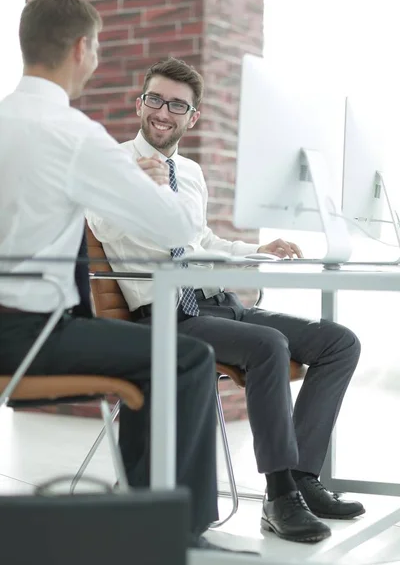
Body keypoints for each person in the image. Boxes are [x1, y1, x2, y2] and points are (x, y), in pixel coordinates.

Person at [0, 0, 247, 555]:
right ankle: (170, 530)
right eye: (99, 46)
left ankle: (140, 507)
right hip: (33, 336)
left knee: (159, 352)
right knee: (189, 357)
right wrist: (159, 182)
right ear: (83, 49)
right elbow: (173, 233)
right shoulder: (77, 135)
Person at [87, 56, 365, 544]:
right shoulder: (111, 166)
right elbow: (106, 228)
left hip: (215, 305)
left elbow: (200, 240)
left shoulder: (189, 172)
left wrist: (255, 249)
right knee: (268, 345)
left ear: (192, 118)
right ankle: (278, 499)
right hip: (164, 314)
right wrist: (145, 192)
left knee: (339, 342)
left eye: (177, 105)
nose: (163, 112)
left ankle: (301, 478)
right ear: (139, 104)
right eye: (155, 99)